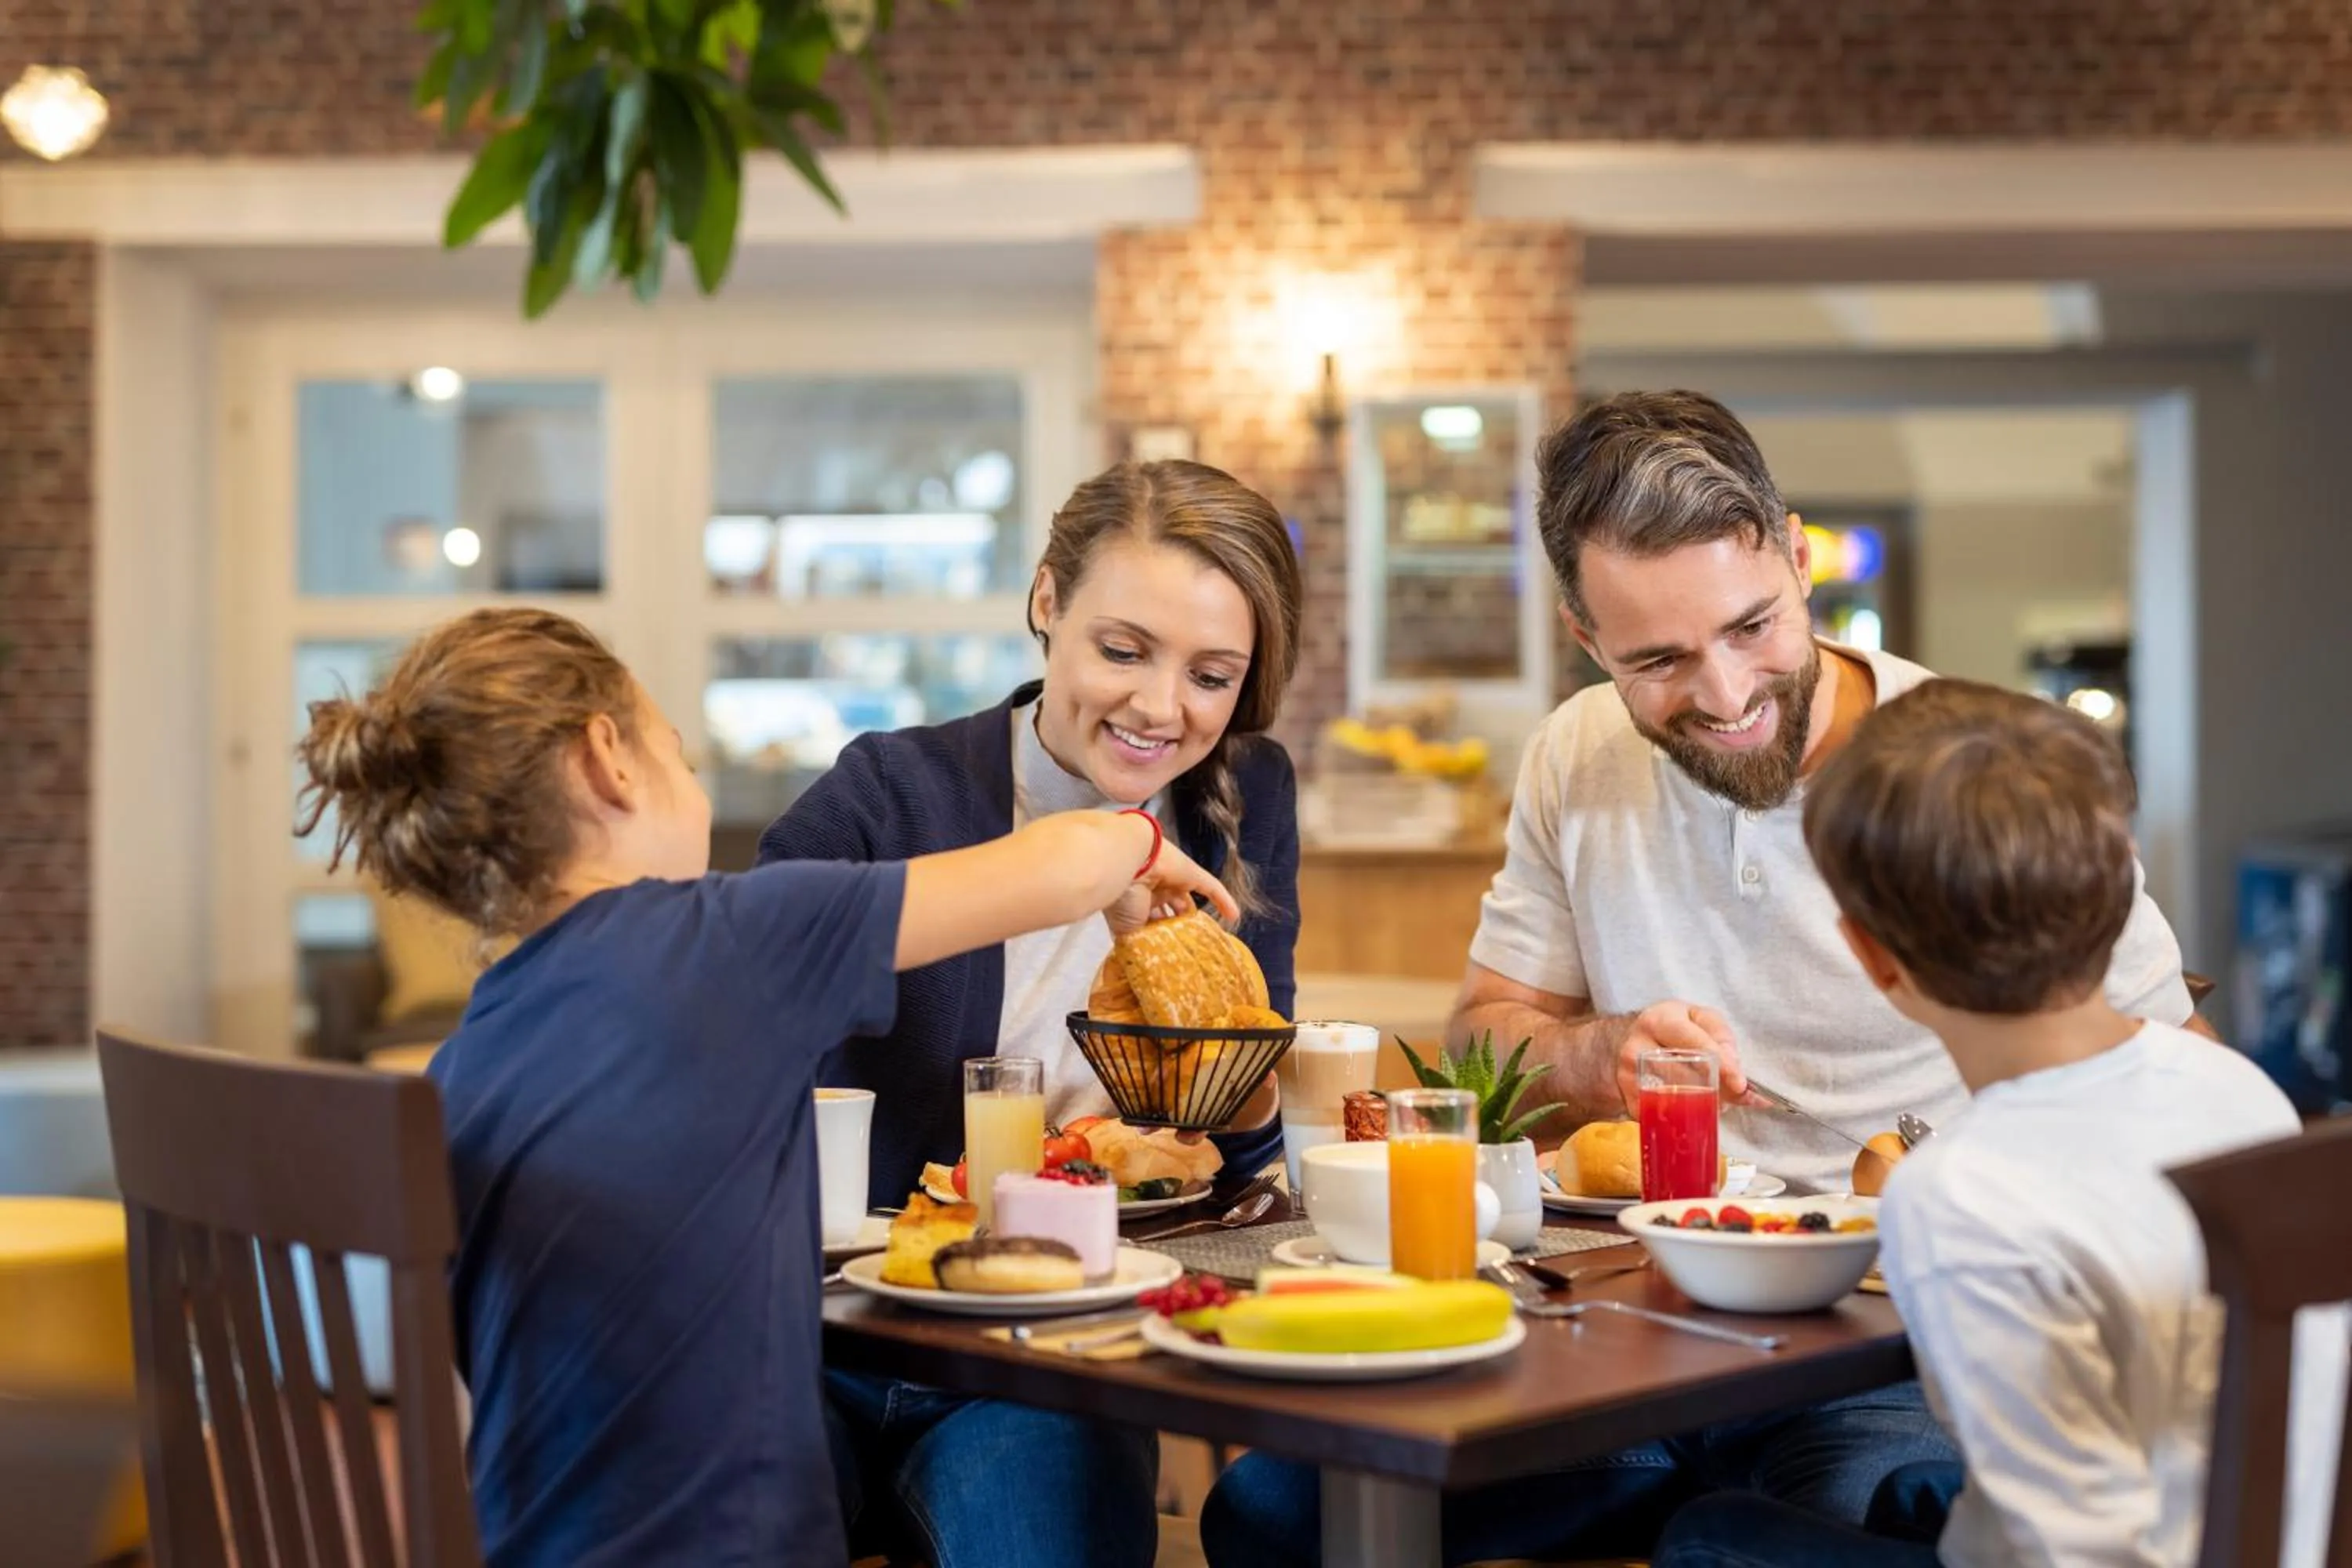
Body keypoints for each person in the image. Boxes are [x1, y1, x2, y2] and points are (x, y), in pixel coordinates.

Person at [1200, 390, 2204, 1566]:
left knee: (1804, 1532)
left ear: (1793, 552)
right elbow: (1485, 1036)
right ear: (1585, 639)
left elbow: (2180, 1081)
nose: (1725, 697)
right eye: (1661, 660)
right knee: (1272, 1516)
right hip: (1635, 1334)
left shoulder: (1970, 770)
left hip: (1887, 1355)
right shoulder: (1577, 753)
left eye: (1751, 627)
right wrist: (1589, 1052)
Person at [296, 606, 1238, 1568]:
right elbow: (1059, 861)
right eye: (679, 754)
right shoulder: (723, 942)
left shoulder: (467, 1059)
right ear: (607, 759)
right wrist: (1140, 847)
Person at [758, 456, 1305, 1565]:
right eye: (1121, 649)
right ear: (1048, 601)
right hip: (819, 1342)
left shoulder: (1245, 796)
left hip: (1058, 1362)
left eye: (1212, 674)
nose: (1162, 708)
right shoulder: (891, 792)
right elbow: (733, 995)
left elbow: (1245, 1150)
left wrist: (1179, 999)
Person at [1652, 677, 2329, 1566]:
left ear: (1872, 956)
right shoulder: (2246, 1095)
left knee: (1709, 1534)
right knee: (1906, 1494)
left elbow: (2062, 1549)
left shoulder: (1958, 1191)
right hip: (2263, 1538)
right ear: (2118, 878)